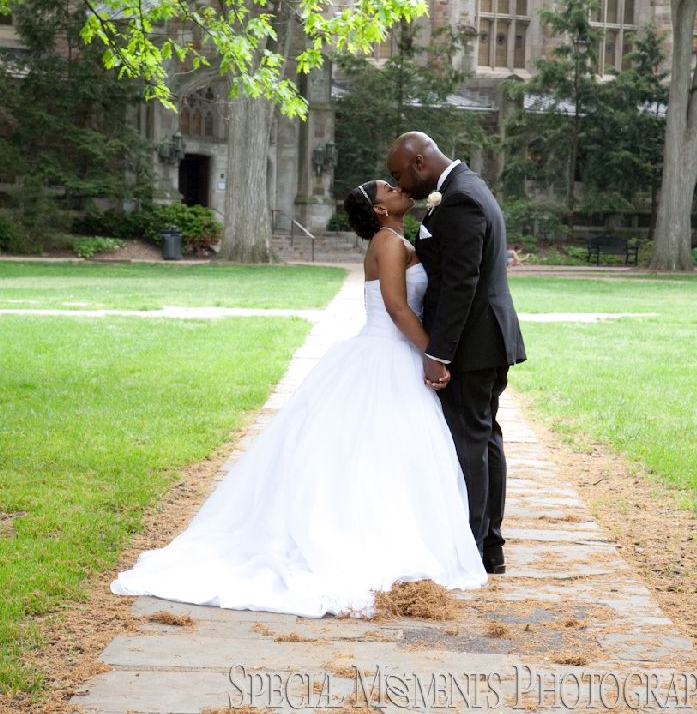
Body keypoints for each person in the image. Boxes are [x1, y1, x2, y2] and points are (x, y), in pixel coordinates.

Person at [111, 179, 486, 617]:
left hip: (393, 355)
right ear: (380, 211)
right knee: (374, 451)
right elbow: (397, 307)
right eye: (388, 188)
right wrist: (433, 355)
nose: (399, 187)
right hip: (386, 353)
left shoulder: (398, 238)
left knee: (388, 454)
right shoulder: (387, 242)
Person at [387, 132, 526, 575]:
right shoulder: (465, 187)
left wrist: (439, 354)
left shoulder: (460, 198)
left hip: (473, 344)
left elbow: (462, 283)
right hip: (487, 338)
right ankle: (489, 546)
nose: (399, 185)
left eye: (398, 174)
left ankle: (471, 546)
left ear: (417, 161)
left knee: (469, 441)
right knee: (484, 438)